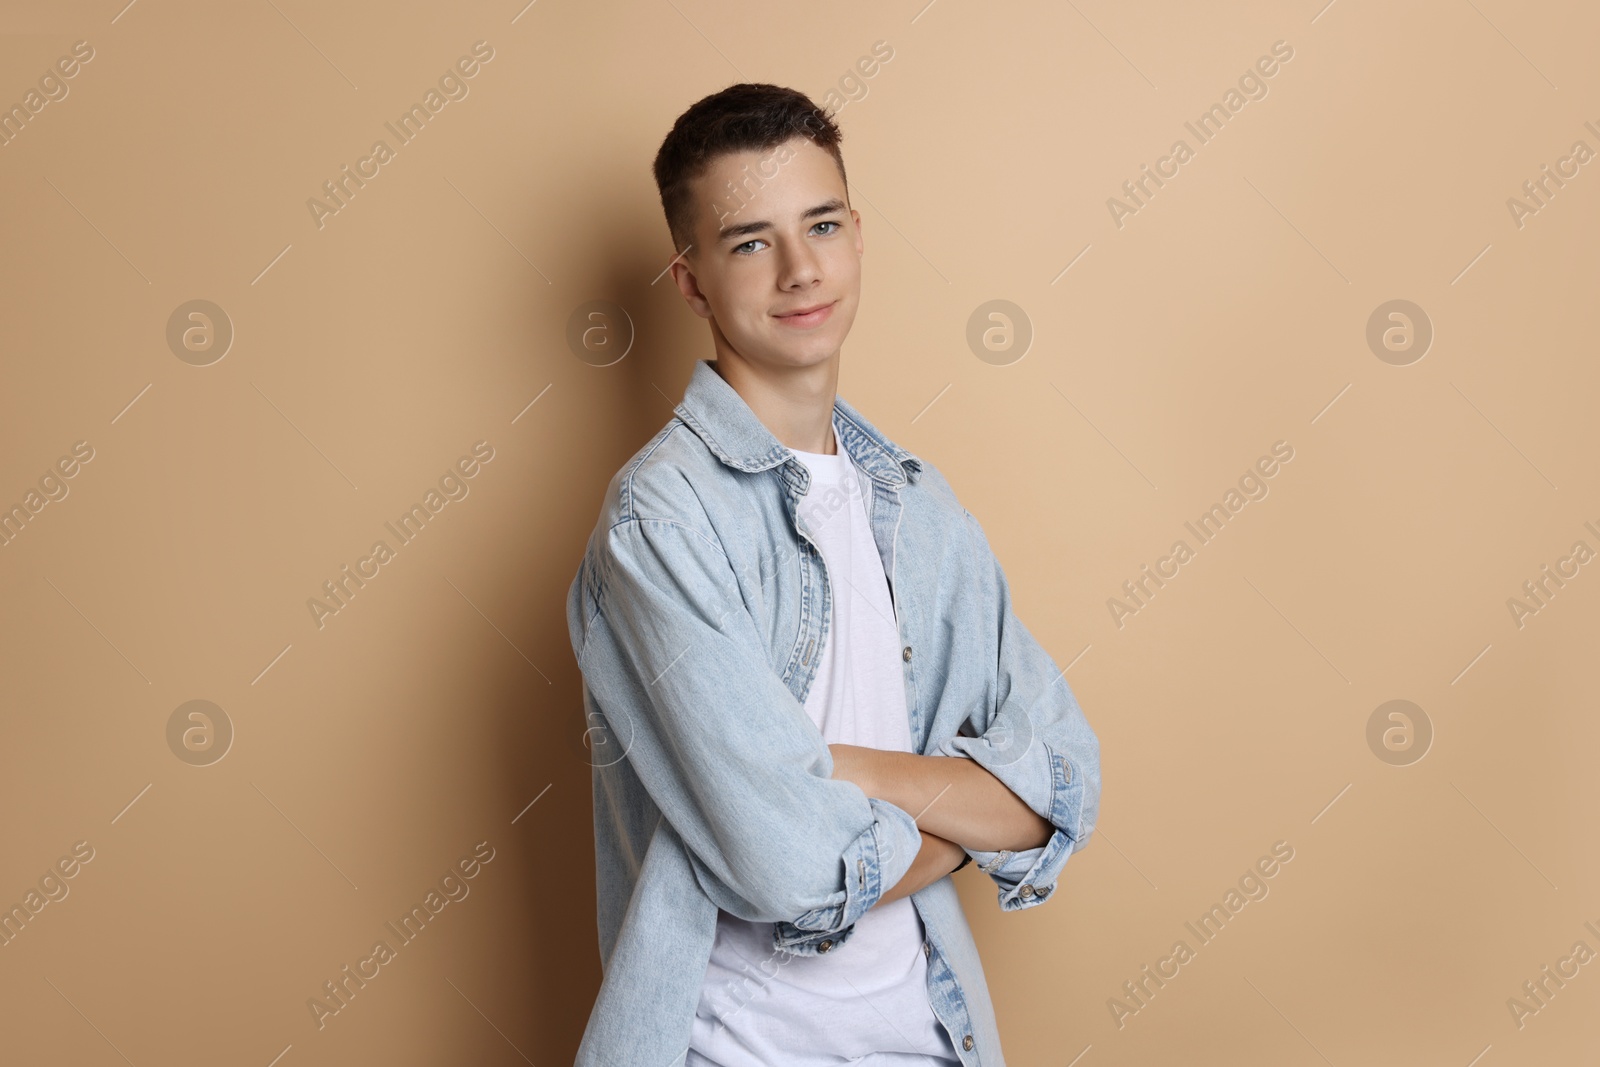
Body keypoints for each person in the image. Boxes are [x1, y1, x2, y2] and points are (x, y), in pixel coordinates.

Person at [564, 82, 1101, 1066]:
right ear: (689, 281)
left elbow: (1060, 781)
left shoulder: (919, 508)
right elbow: (793, 868)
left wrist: (841, 770)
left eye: (820, 225)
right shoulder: (660, 523)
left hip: (932, 1039)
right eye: (750, 241)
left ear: (856, 233)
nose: (801, 269)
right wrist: (961, 811)